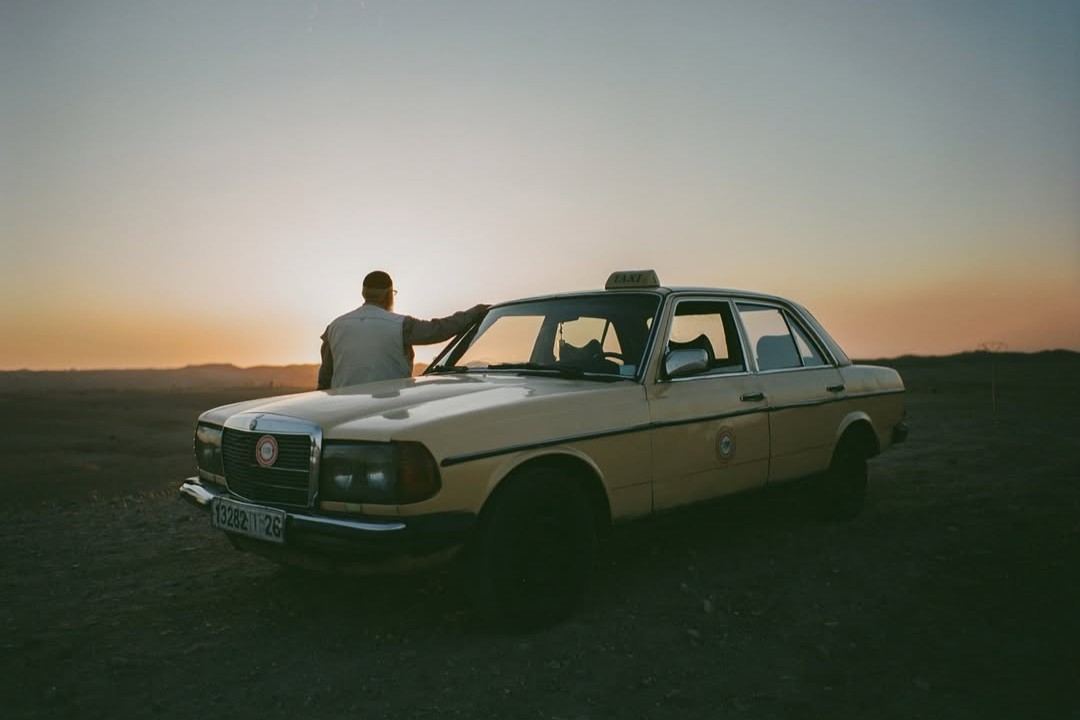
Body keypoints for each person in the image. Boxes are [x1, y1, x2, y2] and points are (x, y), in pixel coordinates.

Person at [317, 270, 489, 389]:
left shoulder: (334, 326)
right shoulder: (400, 325)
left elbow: (325, 378)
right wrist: (475, 312)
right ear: (388, 294)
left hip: (343, 410)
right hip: (388, 408)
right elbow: (439, 329)